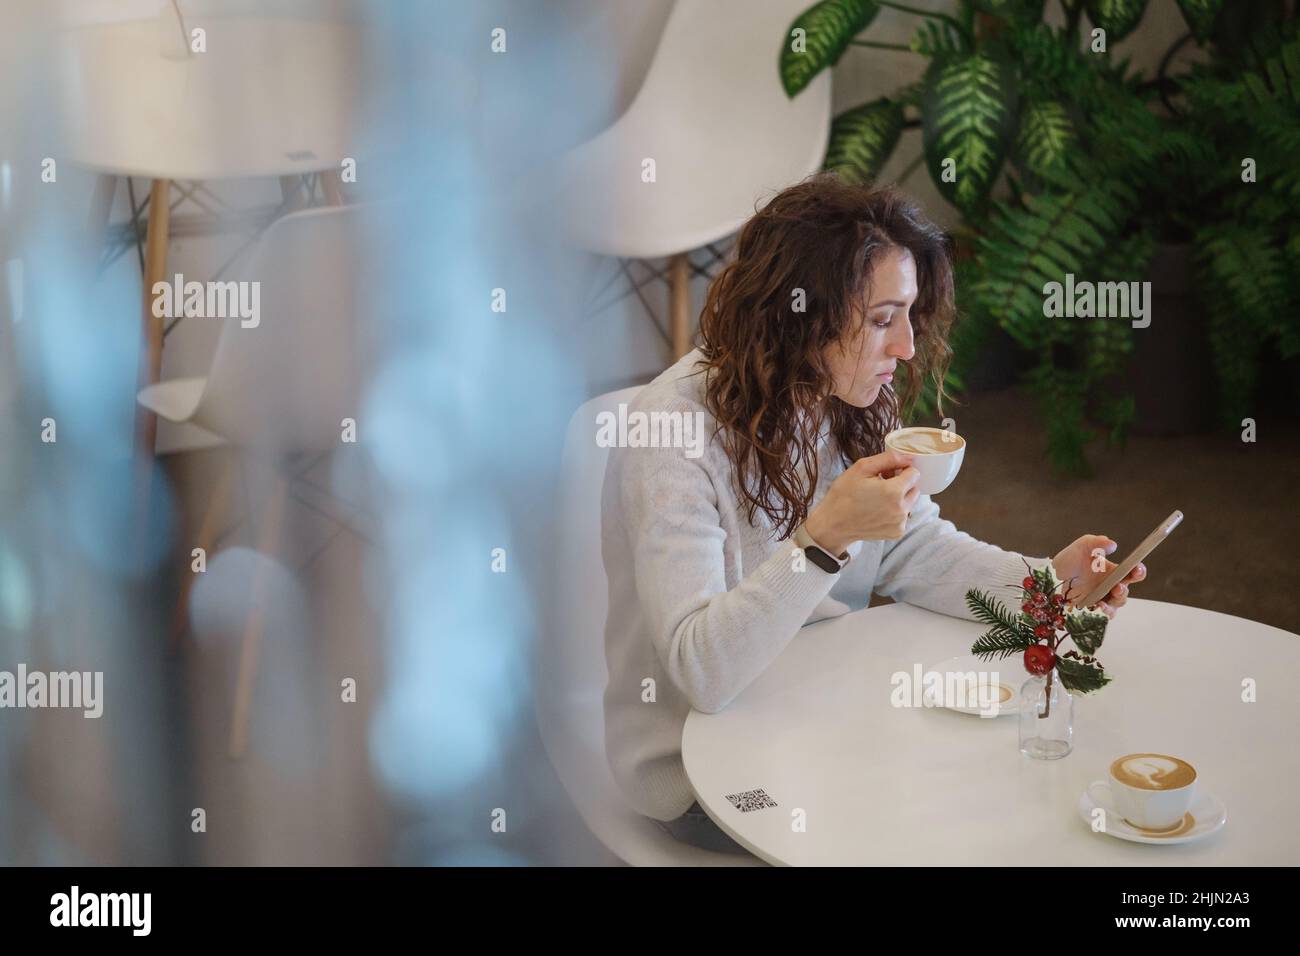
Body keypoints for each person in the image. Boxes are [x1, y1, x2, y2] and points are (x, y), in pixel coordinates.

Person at [600, 174, 1146, 855]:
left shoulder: (845, 389)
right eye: (883, 319)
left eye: (909, 315)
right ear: (800, 315)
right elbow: (702, 673)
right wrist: (825, 539)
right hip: (698, 768)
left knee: (1018, 776)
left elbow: (911, 548)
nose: (907, 348)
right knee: (938, 819)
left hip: (821, 703)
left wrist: (1044, 587)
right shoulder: (674, 433)